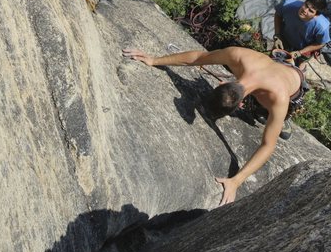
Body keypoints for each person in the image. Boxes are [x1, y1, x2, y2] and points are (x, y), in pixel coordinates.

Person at [122, 45, 306, 206]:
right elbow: (198, 58)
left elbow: (268, 145)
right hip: (269, 66)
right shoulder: (237, 56)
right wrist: (154, 60)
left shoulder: (278, 98)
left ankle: (277, 117)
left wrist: (236, 180)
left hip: (292, 82)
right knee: (262, 103)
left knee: (272, 121)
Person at [273, 0, 330, 66]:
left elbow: (321, 43)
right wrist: (277, 35)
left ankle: (301, 68)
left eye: (311, 11)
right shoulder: (287, 5)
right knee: (274, 57)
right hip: (285, 36)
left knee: (299, 66)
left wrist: (300, 52)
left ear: (316, 15)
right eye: (306, 5)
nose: (305, 10)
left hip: (305, 46)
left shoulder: (322, 27)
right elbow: (278, 14)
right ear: (305, 1)